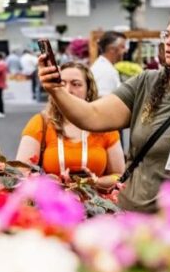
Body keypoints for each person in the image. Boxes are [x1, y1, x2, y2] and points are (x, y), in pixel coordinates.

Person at [38, 8, 170, 221]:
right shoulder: (147, 83)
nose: (168, 42)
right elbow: (91, 115)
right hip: (135, 220)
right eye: (166, 35)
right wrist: (55, 89)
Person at [16, 62, 124, 190]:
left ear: (88, 90)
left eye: (76, 84)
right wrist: (49, 181)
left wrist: (95, 182)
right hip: (50, 205)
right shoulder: (40, 123)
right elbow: (21, 173)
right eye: (62, 83)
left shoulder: (105, 127)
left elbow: (119, 176)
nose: (67, 90)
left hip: (97, 206)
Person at [91, 31, 127, 97]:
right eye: (122, 47)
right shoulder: (105, 71)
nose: (126, 50)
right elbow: (102, 100)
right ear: (112, 49)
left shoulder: (104, 66)